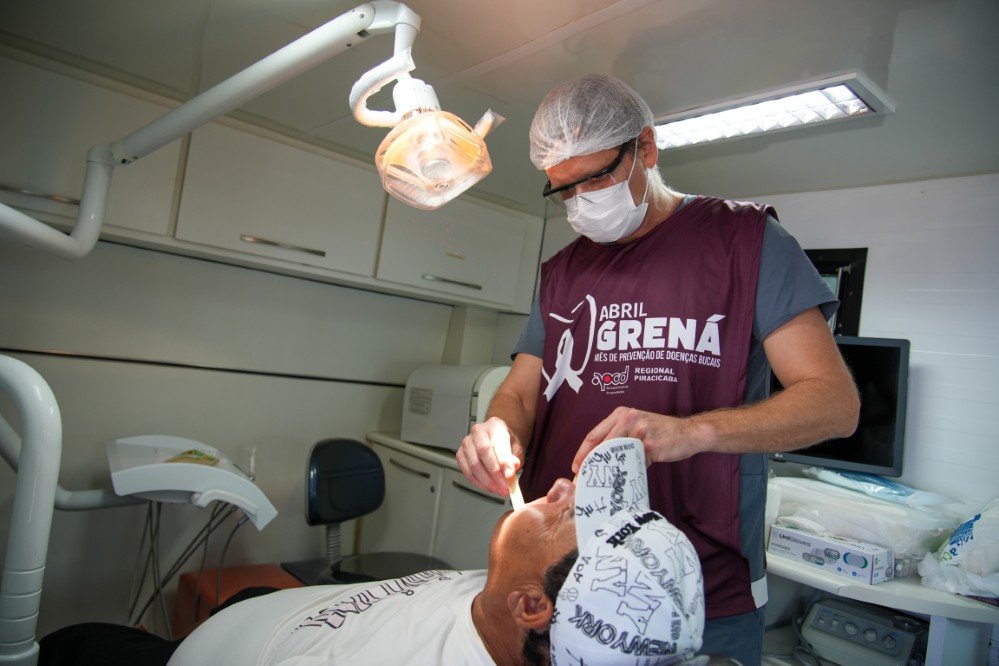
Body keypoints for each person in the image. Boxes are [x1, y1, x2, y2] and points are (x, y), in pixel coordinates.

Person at [455, 73, 860, 666]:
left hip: (697, 592)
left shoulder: (746, 242)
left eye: (595, 178)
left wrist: (692, 431)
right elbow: (519, 392)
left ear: (645, 147)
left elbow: (834, 403)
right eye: (564, 190)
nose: (581, 201)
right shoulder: (563, 272)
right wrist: (498, 430)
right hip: (560, 587)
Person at [40, 439, 712, 666]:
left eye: (573, 514)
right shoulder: (515, 606)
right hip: (278, 616)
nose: (565, 486)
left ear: (531, 607)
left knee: (73, 645)